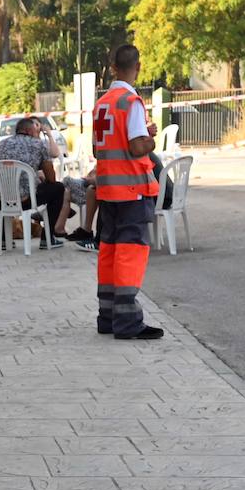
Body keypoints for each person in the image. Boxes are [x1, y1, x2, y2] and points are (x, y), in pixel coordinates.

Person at [92, 45, 162, 340]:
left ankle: (107, 316)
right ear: (139, 66)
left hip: (107, 188)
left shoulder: (103, 103)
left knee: (109, 250)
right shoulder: (130, 101)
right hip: (131, 190)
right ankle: (128, 320)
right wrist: (151, 138)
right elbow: (136, 146)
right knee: (129, 253)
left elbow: (98, 148)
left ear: (112, 67)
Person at [0, 116, 68, 245]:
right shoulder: (38, 144)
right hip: (26, 200)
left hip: (2, 200)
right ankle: (47, 238)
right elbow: (51, 178)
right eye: (36, 131)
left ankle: (5, 239)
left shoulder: (0, 145)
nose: (37, 134)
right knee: (58, 188)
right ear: (29, 131)